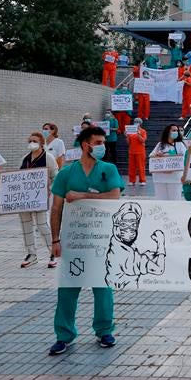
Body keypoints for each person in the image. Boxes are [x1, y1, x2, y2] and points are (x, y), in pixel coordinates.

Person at [48, 126, 124, 356]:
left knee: (103, 288)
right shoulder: (67, 173)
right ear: (85, 145)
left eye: (103, 142)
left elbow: (114, 195)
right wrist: (55, 240)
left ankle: (104, 330)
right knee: (68, 289)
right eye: (98, 142)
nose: (102, 146)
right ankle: (64, 335)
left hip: (101, 240)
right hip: (73, 241)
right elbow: (56, 208)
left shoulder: (108, 169)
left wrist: (81, 195)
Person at [17, 131, 59, 268]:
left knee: (42, 225)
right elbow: (18, 177)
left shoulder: (48, 157)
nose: (31, 143)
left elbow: (55, 176)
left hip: (41, 198)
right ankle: (31, 254)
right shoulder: (25, 158)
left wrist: (49, 190)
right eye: (29, 141)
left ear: (41, 143)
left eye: (34, 141)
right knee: (26, 225)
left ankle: (53, 253)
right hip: (25, 199)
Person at [149, 124, 187, 200]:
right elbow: (151, 157)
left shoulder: (180, 145)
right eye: (173, 130)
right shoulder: (160, 145)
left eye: (177, 131)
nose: (176, 132)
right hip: (160, 178)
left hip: (175, 179)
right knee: (161, 202)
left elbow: (185, 160)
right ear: (167, 132)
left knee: (175, 201)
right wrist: (157, 155)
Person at [126, 119, 147, 186]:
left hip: (140, 152)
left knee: (141, 167)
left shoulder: (143, 131)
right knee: (131, 167)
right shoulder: (131, 131)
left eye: (138, 122)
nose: (136, 123)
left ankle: (142, 180)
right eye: (135, 122)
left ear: (140, 123)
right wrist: (126, 136)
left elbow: (143, 140)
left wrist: (138, 134)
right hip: (132, 151)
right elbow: (128, 142)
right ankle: (132, 181)